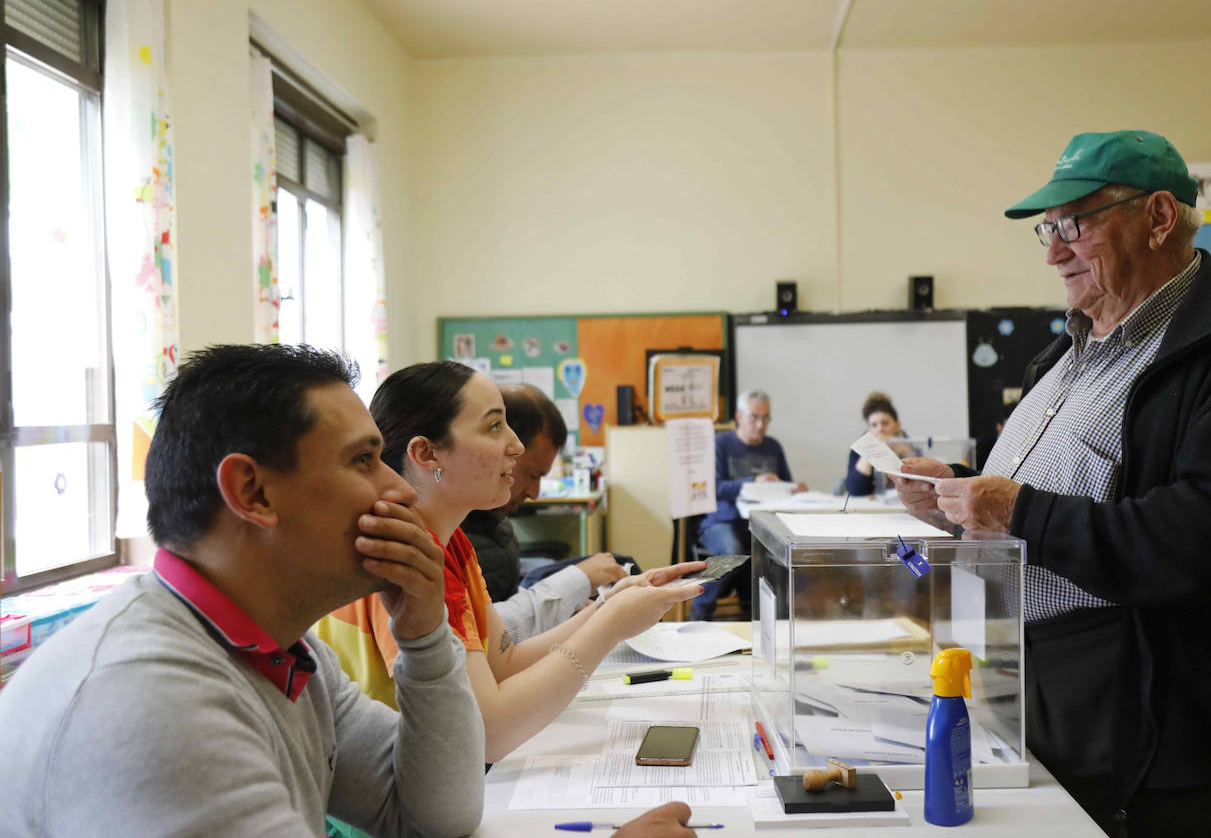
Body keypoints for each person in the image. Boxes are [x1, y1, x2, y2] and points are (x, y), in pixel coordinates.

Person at [894, 130, 1211, 838]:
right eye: (1048, 229)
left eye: (1076, 224)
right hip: (1053, 698)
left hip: (1170, 734)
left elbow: (1205, 538)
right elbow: (1052, 498)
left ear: (1158, 218)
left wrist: (1014, 508)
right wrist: (961, 495)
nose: (1055, 249)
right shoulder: (1064, 351)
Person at [0, 344, 486, 835]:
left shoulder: (287, 651)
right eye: (363, 460)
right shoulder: (149, 700)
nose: (400, 490)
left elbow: (434, 816)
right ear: (252, 492)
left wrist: (424, 638)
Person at [315, 361, 703, 768]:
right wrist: (610, 627)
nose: (516, 445)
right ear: (426, 453)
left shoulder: (451, 540)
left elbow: (503, 663)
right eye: (494, 427)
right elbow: (488, 732)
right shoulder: (403, 553)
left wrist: (610, 605)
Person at [470, 383, 705, 642]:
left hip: (515, 608)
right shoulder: (455, 537)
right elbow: (493, 646)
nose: (535, 493)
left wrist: (590, 611)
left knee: (618, 566)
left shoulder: (491, 525)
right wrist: (588, 604)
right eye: (532, 474)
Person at [692, 389, 806, 620]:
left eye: (765, 418)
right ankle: (700, 609)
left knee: (784, 551)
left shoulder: (773, 447)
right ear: (739, 416)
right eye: (754, 417)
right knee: (732, 550)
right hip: (722, 521)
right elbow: (712, 487)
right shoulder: (721, 443)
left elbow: (783, 486)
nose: (760, 425)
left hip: (760, 522)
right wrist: (752, 482)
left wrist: (793, 489)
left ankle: (767, 619)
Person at [843, 391, 914, 496]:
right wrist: (868, 453)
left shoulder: (908, 443)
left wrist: (907, 452)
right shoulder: (859, 448)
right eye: (874, 425)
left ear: (897, 424)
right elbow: (854, 490)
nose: (880, 429)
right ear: (869, 428)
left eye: (885, 423)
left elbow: (922, 481)